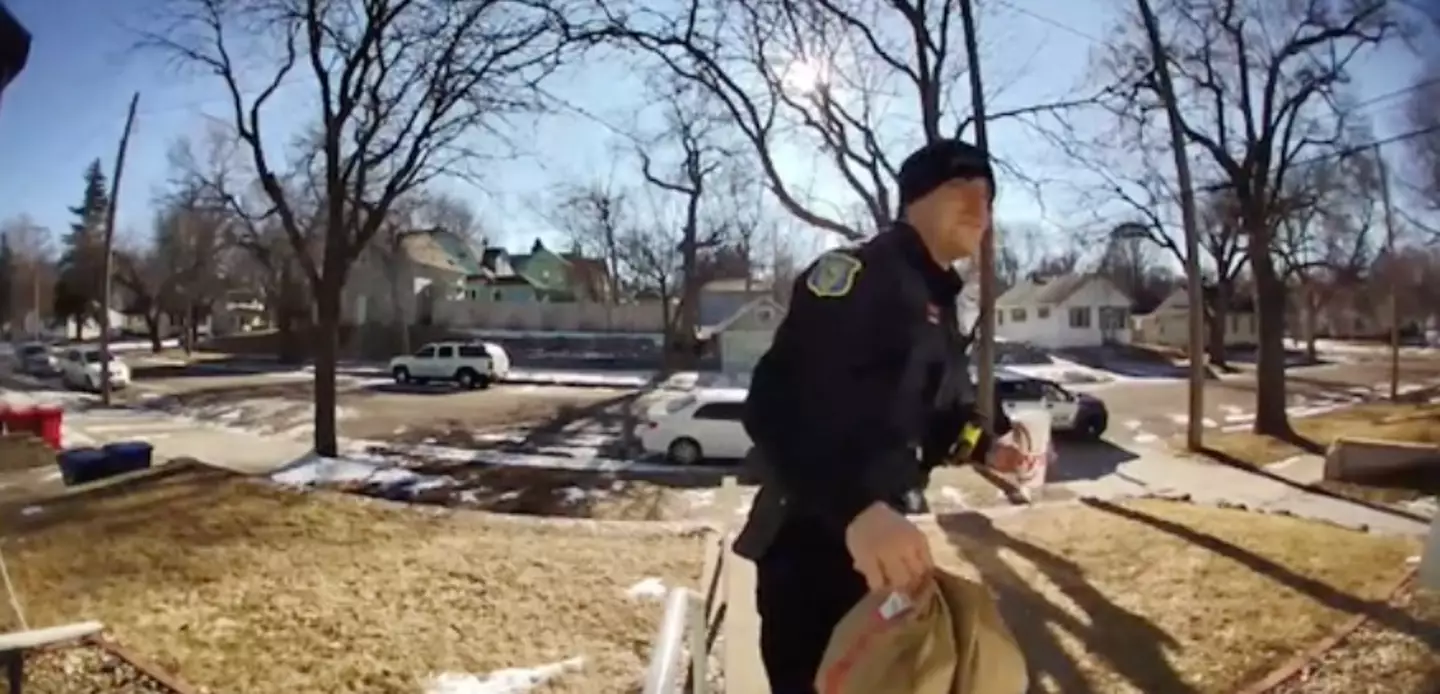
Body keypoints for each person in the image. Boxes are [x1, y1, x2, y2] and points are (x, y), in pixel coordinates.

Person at [735, 138, 1033, 694]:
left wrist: (991, 446)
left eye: (988, 195)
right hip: (811, 543)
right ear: (914, 200)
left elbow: (940, 423)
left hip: (880, 550)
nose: (979, 207)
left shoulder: (937, 304)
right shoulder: (861, 274)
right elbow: (775, 403)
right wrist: (855, 510)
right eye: (959, 188)